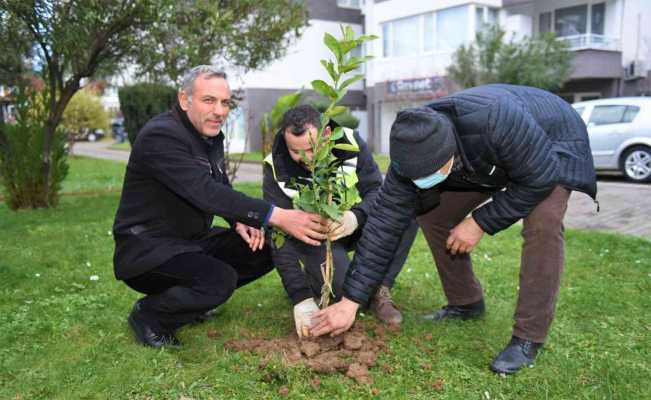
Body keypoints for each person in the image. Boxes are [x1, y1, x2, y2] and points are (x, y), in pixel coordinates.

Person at [310, 84, 598, 374]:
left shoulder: (496, 121)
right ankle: (466, 303)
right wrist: (351, 302)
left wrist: (481, 221)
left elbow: (540, 178)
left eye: (430, 174)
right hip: (484, 158)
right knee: (433, 214)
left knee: (543, 225)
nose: (423, 181)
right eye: (417, 177)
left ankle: (529, 337)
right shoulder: (410, 156)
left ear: (451, 154)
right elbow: (383, 227)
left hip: (551, 143)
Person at [112, 65, 326, 348]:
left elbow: (219, 185)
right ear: (184, 99)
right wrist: (276, 215)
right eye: (209, 100)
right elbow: (203, 191)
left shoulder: (208, 137)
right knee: (219, 281)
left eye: (225, 103)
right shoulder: (161, 136)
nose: (220, 111)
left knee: (263, 248)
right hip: (148, 249)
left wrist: (239, 221)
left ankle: (190, 303)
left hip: (189, 241)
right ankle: (150, 315)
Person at [263, 105, 417, 336]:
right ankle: (319, 282)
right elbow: (277, 232)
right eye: (296, 151)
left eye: (311, 148)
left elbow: (377, 191)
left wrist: (355, 217)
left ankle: (380, 291)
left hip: (352, 223)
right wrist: (300, 297)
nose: (306, 158)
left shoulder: (350, 143)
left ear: (325, 135)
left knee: (404, 214)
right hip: (316, 237)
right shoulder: (276, 165)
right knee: (346, 290)